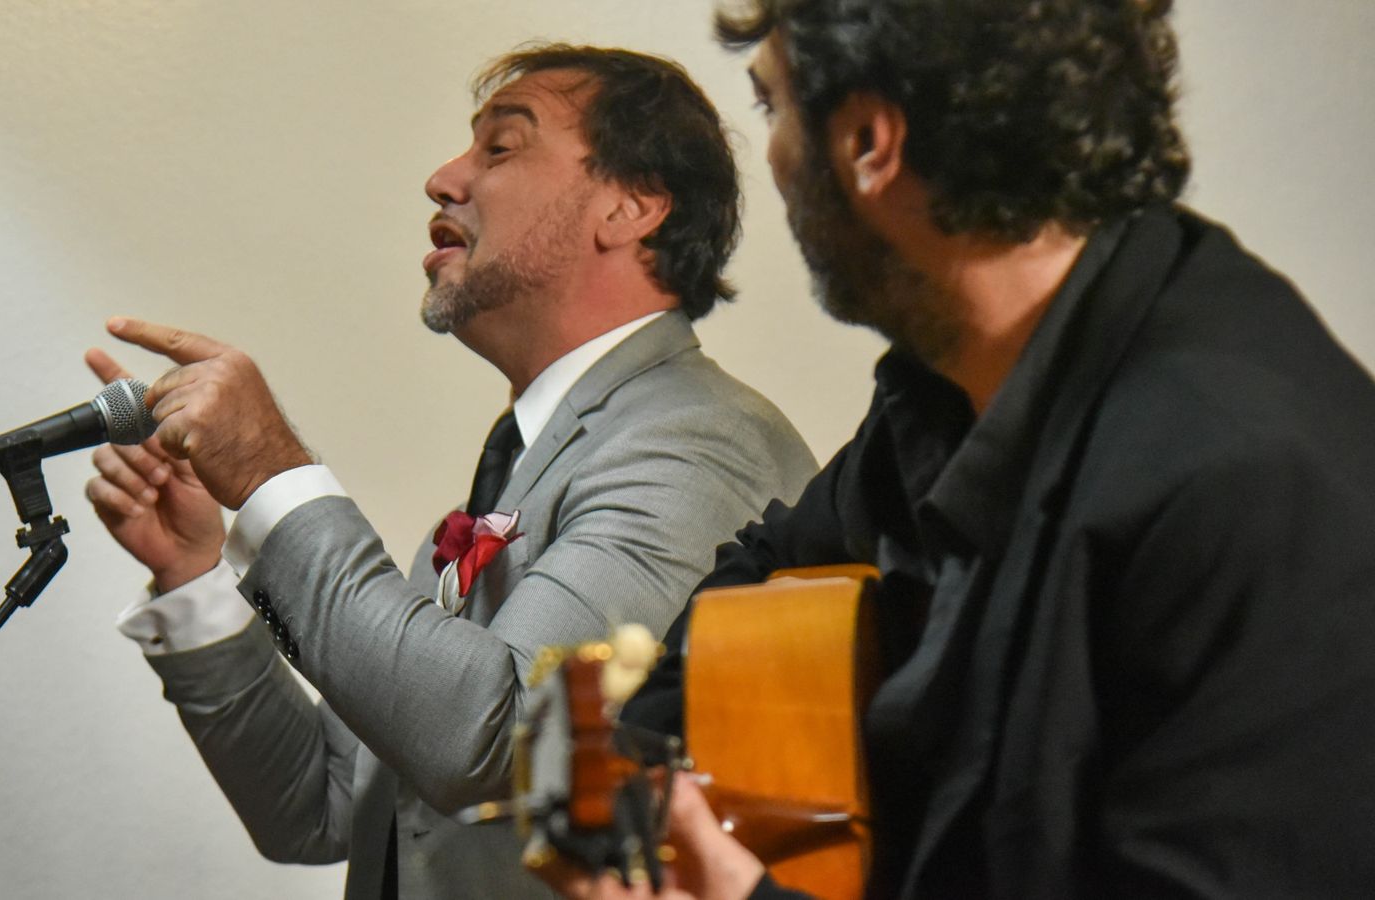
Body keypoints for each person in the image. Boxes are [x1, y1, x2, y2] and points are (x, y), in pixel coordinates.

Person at [591, 1, 1375, 898]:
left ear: (869, 143)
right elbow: (769, 559)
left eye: (773, 108)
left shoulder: (1245, 493)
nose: (770, 158)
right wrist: (646, 762)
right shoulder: (950, 389)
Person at [84, 44, 817, 900]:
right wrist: (195, 579)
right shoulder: (502, 487)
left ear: (630, 206)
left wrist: (273, 479)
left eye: (501, 148)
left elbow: (498, 735)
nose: (443, 177)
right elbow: (321, 809)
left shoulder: (701, 442)